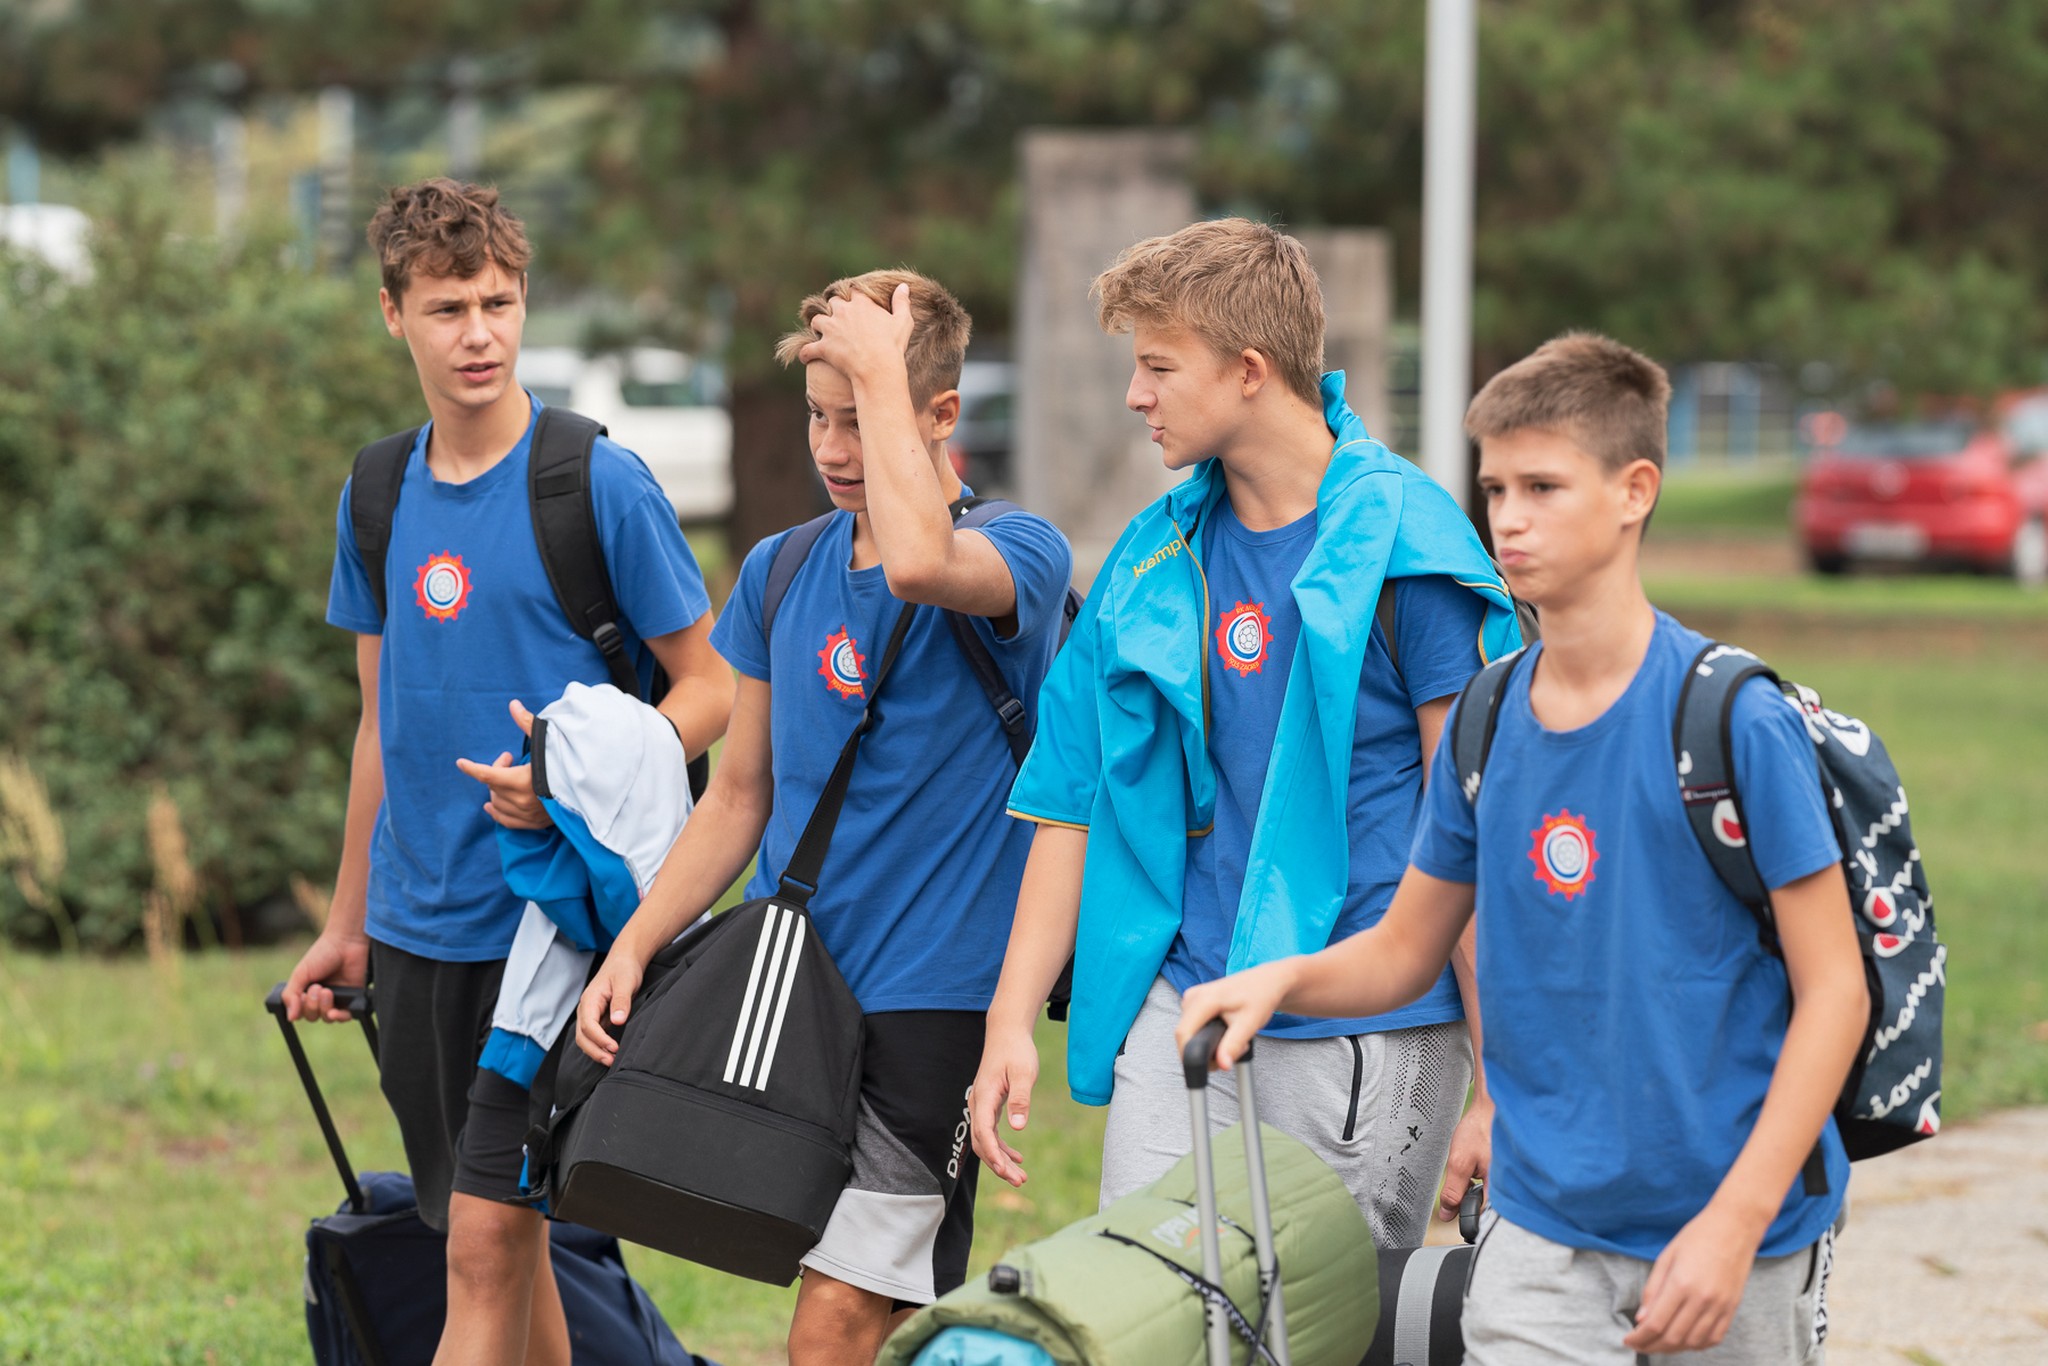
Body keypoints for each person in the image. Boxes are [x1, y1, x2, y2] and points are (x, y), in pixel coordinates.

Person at [1177, 332, 1868, 1363]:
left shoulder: (1732, 718)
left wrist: (1732, 1225)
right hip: (1540, 1229)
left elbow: (1835, 993)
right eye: (1493, 487)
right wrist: (1276, 981)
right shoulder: (1487, 716)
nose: (1506, 518)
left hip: (1730, 1226)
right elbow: (1404, 949)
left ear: (1634, 490)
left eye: (1542, 486)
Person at [968, 218, 1525, 1246]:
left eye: (1158, 367)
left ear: (1249, 372)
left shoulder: (1408, 547)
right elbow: (1066, 800)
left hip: (1365, 1030)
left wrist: (1500, 1089)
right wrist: (1010, 1021)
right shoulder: (1151, 558)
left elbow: (1481, 832)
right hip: (1182, 1016)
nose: (1135, 395)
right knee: (1144, 1316)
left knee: (1311, 1336)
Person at [573, 271, 1073, 1366]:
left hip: (934, 1003)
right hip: (793, 996)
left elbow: (918, 559)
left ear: (940, 415)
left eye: (864, 418)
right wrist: (636, 942)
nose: (836, 448)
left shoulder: (1022, 551)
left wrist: (886, 380)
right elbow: (739, 793)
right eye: (820, 417)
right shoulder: (779, 567)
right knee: (870, 1310)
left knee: (836, 1320)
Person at [281, 178, 733, 1366]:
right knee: (499, 1242)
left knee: (484, 1241)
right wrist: (347, 921)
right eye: (445, 308)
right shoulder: (376, 496)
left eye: (498, 301)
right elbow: (381, 719)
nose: (477, 333)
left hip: (557, 927)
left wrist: (574, 788)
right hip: (421, 926)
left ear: (525, 301)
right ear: (393, 315)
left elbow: (710, 689)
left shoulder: (595, 482)